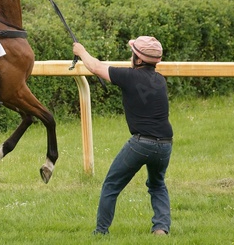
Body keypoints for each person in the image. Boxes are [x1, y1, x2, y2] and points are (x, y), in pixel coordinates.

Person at [73, 36, 173, 236]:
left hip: (141, 144)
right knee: (157, 184)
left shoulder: (129, 76)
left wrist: (81, 51)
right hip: (166, 144)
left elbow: (95, 67)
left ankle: (101, 232)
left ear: (137, 58)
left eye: (133, 53)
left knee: (111, 185)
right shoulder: (160, 79)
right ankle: (161, 228)